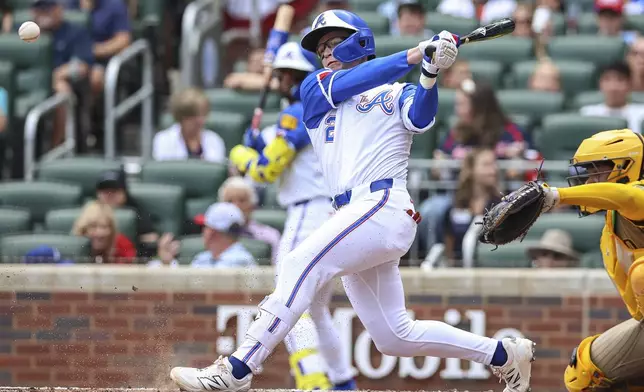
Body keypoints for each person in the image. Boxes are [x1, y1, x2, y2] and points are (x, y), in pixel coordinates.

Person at [169, 9, 535, 392]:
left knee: (296, 263)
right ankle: (504, 354)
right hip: (354, 215)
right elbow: (357, 80)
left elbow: (422, 117)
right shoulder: (316, 90)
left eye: (332, 42)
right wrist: (413, 56)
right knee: (394, 336)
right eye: (320, 47)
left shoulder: (395, 92)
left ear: (359, 40)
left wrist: (429, 73)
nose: (325, 52)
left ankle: (237, 370)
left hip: (382, 204)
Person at [229, 41, 357, 390]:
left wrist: (242, 155)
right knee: (315, 309)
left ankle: (313, 382)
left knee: (288, 301)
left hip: (308, 211)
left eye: (288, 75)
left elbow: (266, 170)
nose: (282, 80)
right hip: (329, 211)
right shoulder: (309, 109)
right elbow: (280, 151)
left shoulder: (299, 110)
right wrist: (260, 143)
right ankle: (343, 382)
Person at [504, 129, 644, 392]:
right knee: (582, 372)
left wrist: (557, 196)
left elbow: (627, 197)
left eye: (597, 170)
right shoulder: (609, 230)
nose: (590, 180)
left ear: (626, 166)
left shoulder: (638, 194)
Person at [438, 148, 502, 264]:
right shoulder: (456, 205)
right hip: (459, 271)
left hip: (490, 270)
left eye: (494, 164)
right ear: (472, 169)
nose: (493, 170)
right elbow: (449, 244)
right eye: (486, 165)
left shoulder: (501, 205)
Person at [150, 202, 256, 268]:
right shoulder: (203, 258)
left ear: (212, 232)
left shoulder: (241, 260)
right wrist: (167, 263)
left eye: (205, 227)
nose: (203, 232)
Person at [95, 169, 159, 256]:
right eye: (105, 191)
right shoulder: (89, 212)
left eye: (114, 190)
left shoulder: (139, 213)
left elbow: (150, 242)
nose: (109, 195)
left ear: (124, 192)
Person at [153, 87, 226, 163]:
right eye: (194, 116)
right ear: (181, 117)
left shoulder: (214, 140)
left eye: (203, 114)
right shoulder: (164, 139)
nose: (200, 121)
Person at [580, 61, 644, 134]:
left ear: (630, 84)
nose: (613, 87)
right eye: (607, 79)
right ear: (599, 84)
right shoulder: (587, 114)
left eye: (620, 80)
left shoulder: (642, 114)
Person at [71, 200, 137, 263]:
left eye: (104, 227)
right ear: (83, 230)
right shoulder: (73, 249)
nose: (100, 233)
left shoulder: (123, 245)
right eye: (93, 226)